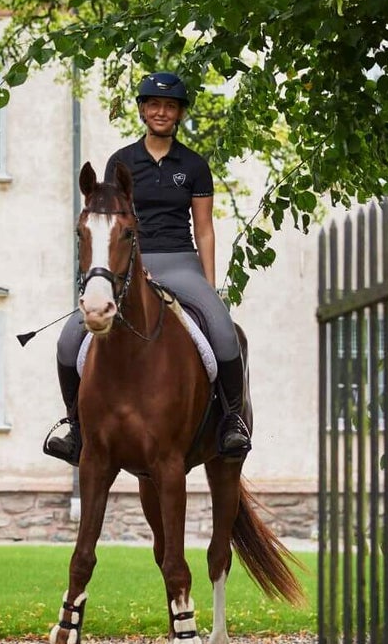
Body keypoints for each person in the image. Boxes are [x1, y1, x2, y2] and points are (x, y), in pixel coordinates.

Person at [44, 72, 252, 464]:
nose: (161, 112)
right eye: (154, 105)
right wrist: (124, 271)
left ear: (179, 114)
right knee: (68, 342)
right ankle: (74, 426)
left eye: (169, 106)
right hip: (129, 266)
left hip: (181, 262)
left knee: (224, 332)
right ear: (142, 110)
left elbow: (204, 230)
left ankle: (230, 423)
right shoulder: (121, 162)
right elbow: (108, 224)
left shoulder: (193, 165)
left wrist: (208, 286)